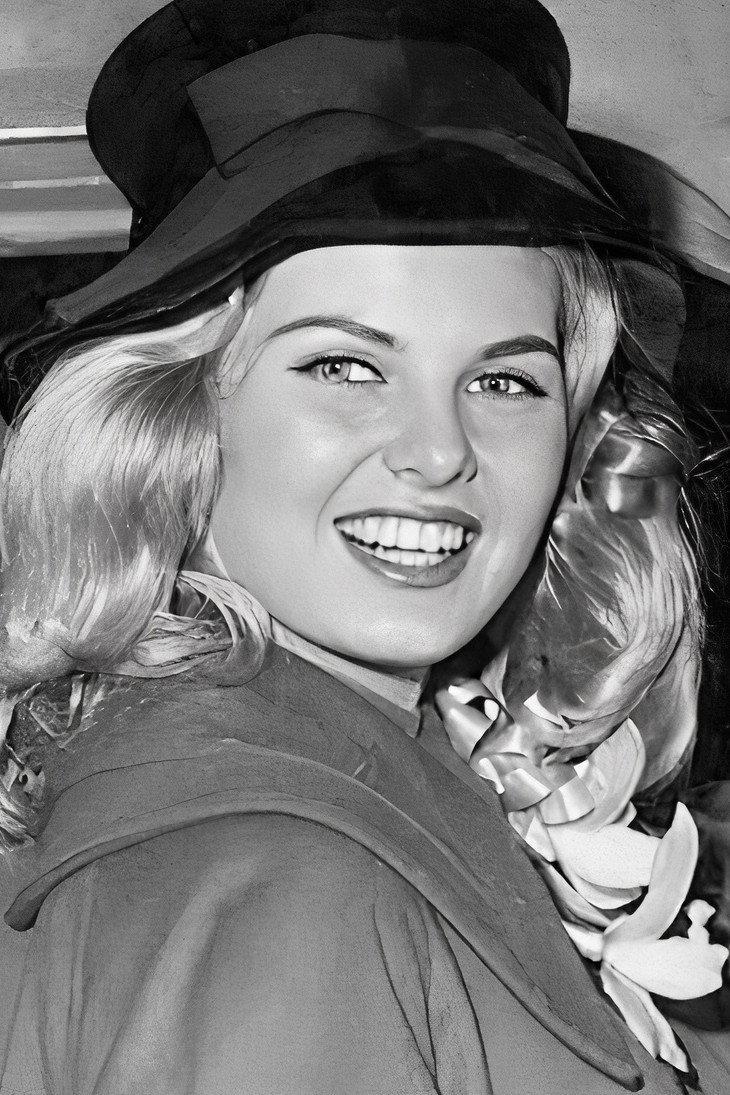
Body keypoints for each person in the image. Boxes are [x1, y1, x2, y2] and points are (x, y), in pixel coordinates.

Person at [0, 2, 728, 1093]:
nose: (440, 452)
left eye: (505, 380)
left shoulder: (357, 763)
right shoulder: (278, 876)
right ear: (179, 416)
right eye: (343, 367)